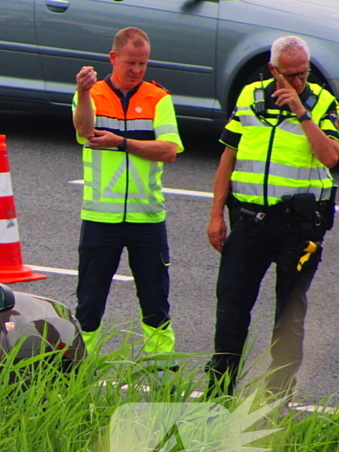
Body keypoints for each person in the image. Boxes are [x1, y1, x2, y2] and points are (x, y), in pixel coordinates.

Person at [206, 36, 339, 397]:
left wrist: (301, 111)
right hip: (249, 222)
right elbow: (228, 157)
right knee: (231, 310)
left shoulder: (323, 102)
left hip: (299, 227)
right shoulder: (249, 97)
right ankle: (218, 394)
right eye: (290, 75)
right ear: (272, 70)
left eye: (303, 74)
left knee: (288, 317)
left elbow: (330, 157)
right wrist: (216, 215)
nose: (298, 81)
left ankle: (276, 399)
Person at [72, 27, 184, 360]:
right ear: (113, 58)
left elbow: (169, 150)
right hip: (100, 218)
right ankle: (78, 372)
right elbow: (83, 130)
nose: (136, 70)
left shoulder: (158, 98)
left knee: (155, 302)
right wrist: (82, 92)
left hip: (147, 219)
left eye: (143, 63)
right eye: (130, 63)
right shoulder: (91, 94)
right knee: (89, 304)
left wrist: (121, 142)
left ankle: (160, 371)